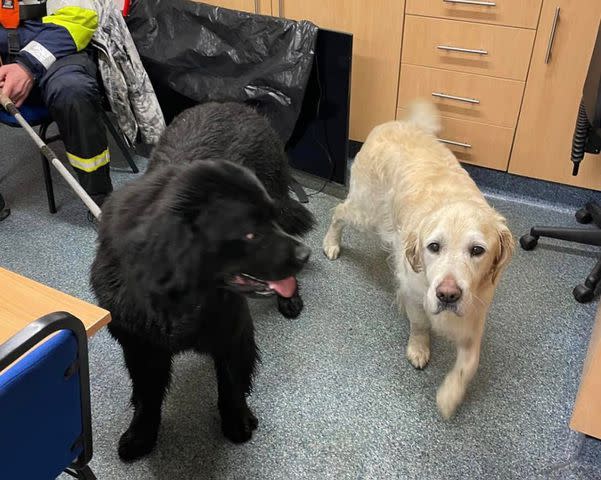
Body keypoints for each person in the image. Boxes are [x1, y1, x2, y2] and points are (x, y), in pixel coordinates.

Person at [0, 0, 112, 208]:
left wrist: (26, 66)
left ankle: (99, 198)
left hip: (58, 48)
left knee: (72, 91)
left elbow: (81, 16)